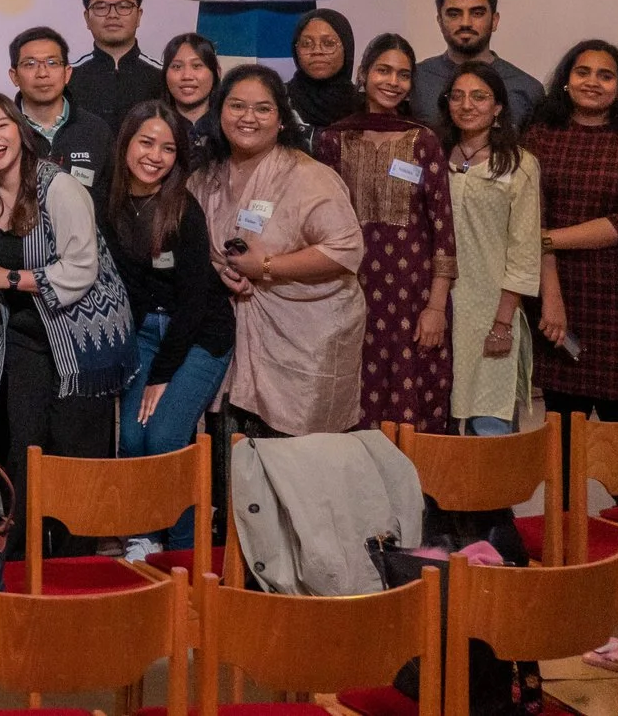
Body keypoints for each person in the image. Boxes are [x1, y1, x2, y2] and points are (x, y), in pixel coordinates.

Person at [0, 91, 134, 558]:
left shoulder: (59, 187)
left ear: (20, 130)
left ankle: (75, 574)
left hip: (81, 336)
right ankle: (21, 569)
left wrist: (5, 278)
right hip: (23, 336)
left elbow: (80, 269)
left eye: (1, 126)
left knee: (76, 458)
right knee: (24, 450)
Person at [191, 65, 367, 437]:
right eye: (237, 106)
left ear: (282, 120)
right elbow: (187, 249)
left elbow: (346, 248)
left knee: (295, 465)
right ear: (219, 111)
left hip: (303, 341)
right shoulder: (204, 178)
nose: (248, 118)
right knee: (233, 457)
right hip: (228, 337)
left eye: (263, 109)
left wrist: (267, 265)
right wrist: (216, 271)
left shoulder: (309, 176)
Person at [100, 103, 234, 542]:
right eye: (146, 142)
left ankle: (182, 552)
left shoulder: (184, 211)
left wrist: (160, 375)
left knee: (163, 438)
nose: (155, 156)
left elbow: (195, 304)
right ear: (126, 143)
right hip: (141, 334)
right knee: (132, 441)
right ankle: (143, 536)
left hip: (197, 337)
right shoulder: (111, 201)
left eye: (168, 148)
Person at [528, 41, 618, 444]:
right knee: (563, 424)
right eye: (583, 72)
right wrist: (550, 290)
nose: (593, 82)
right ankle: (567, 509)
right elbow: (529, 213)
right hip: (560, 294)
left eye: (605, 75)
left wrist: (546, 239)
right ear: (566, 81)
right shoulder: (540, 136)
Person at [314, 32, 454, 432]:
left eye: (404, 74)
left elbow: (442, 228)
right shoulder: (334, 139)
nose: (393, 82)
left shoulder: (423, 140)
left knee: (411, 397)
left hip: (413, 296)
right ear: (363, 74)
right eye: (383, 71)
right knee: (353, 396)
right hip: (348, 291)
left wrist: (435, 306)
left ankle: (415, 492)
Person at [440, 63, 541, 437]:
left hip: (490, 310)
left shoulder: (519, 165)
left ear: (498, 107)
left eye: (479, 96)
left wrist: (502, 322)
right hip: (439, 306)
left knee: (490, 420)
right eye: (458, 96)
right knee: (438, 416)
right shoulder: (434, 156)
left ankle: (491, 498)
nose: (467, 105)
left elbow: (524, 250)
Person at [407, 0, 547, 128]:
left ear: (494, 21)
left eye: (477, 13)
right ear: (440, 22)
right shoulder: (414, 80)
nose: (465, 23)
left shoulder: (527, 89)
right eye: (454, 14)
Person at [8, 26, 115, 193]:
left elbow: (109, 202)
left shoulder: (96, 131)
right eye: (30, 64)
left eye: (52, 63)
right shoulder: (3, 131)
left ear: (67, 73)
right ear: (14, 76)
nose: (42, 73)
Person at [70, 0, 169, 130]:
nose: (112, 15)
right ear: (87, 18)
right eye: (101, 7)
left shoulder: (163, 76)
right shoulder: (67, 77)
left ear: (138, 16)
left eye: (124, 7)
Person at [288, 9, 365, 146]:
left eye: (329, 43)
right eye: (306, 44)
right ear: (296, 50)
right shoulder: (279, 100)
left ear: (346, 48)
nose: (317, 51)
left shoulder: (364, 106)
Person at [160, 31, 225, 169]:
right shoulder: (155, 126)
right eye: (177, 67)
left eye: (197, 66)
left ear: (217, 72)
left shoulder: (228, 129)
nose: (187, 76)